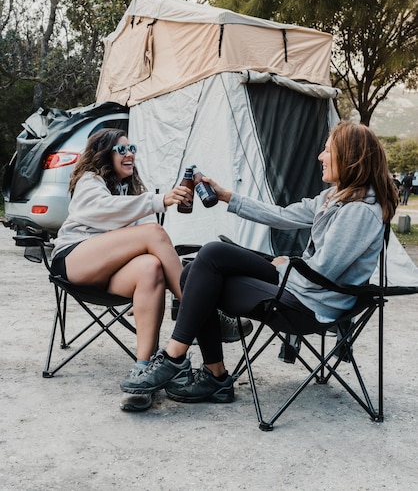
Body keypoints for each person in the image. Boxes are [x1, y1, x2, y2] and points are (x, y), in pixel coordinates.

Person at [119, 121, 399, 406]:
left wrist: (284, 265)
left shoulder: (360, 212)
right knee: (197, 267)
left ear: (350, 157)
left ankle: (180, 360)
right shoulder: (334, 197)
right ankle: (211, 375)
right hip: (301, 285)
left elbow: (323, 272)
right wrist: (226, 195)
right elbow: (280, 215)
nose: (320, 157)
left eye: (327, 150)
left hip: (312, 302)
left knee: (206, 264)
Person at [50, 127, 194, 412]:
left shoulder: (129, 188)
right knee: (154, 232)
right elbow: (105, 210)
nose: (129, 154)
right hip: (75, 259)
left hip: (111, 275)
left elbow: (140, 243)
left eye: (132, 149)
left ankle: (143, 371)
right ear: (104, 154)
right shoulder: (90, 181)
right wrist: (160, 200)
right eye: (121, 149)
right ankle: (200, 311)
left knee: (151, 266)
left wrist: (152, 285)